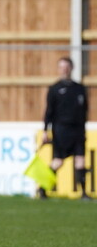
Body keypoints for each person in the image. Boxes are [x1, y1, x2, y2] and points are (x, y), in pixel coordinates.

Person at [41, 56, 89, 199]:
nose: (64, 70)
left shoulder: (79, 89)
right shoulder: (55, 89)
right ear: (58, 69)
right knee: (58, 162)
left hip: (78, 130)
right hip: (61, 130)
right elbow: (49, 111)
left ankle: (84, 193)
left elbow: (85, 110)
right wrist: (45, 130)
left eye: (66, 67)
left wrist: (83, 129)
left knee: (80, 159)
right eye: (61, 67)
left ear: (71, 68)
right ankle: (43, 188)